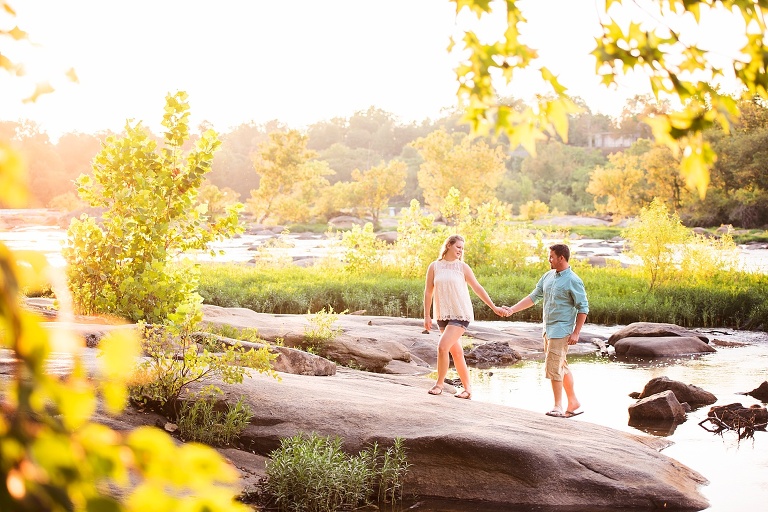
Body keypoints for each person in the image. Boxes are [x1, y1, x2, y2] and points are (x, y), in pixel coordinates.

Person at [503, 243, 588, 418]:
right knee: (561, 366)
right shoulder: (548, 276)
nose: (549, 260)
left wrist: (576, 332)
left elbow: (583, 308)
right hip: (548, 330)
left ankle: (558, 406)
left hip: (562, 330)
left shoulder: (573, 280)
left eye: (551, 257)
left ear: (561, 258)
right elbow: (533, 297)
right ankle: (573, 402)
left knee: (554, 367)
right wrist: (512, 310)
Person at [423, 234, 506, 399]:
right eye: (458, 247)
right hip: (443, 314)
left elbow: (477, 287)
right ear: (449, 246)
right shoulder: (434, 266)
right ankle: (468, 390)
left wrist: (493, 307)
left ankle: (439, 385)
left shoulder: (462, 267)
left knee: (442, 347)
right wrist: (426, 315)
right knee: (457, 353)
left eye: (462, 248)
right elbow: (428, 291)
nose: (461, 250)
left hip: (460, 313)